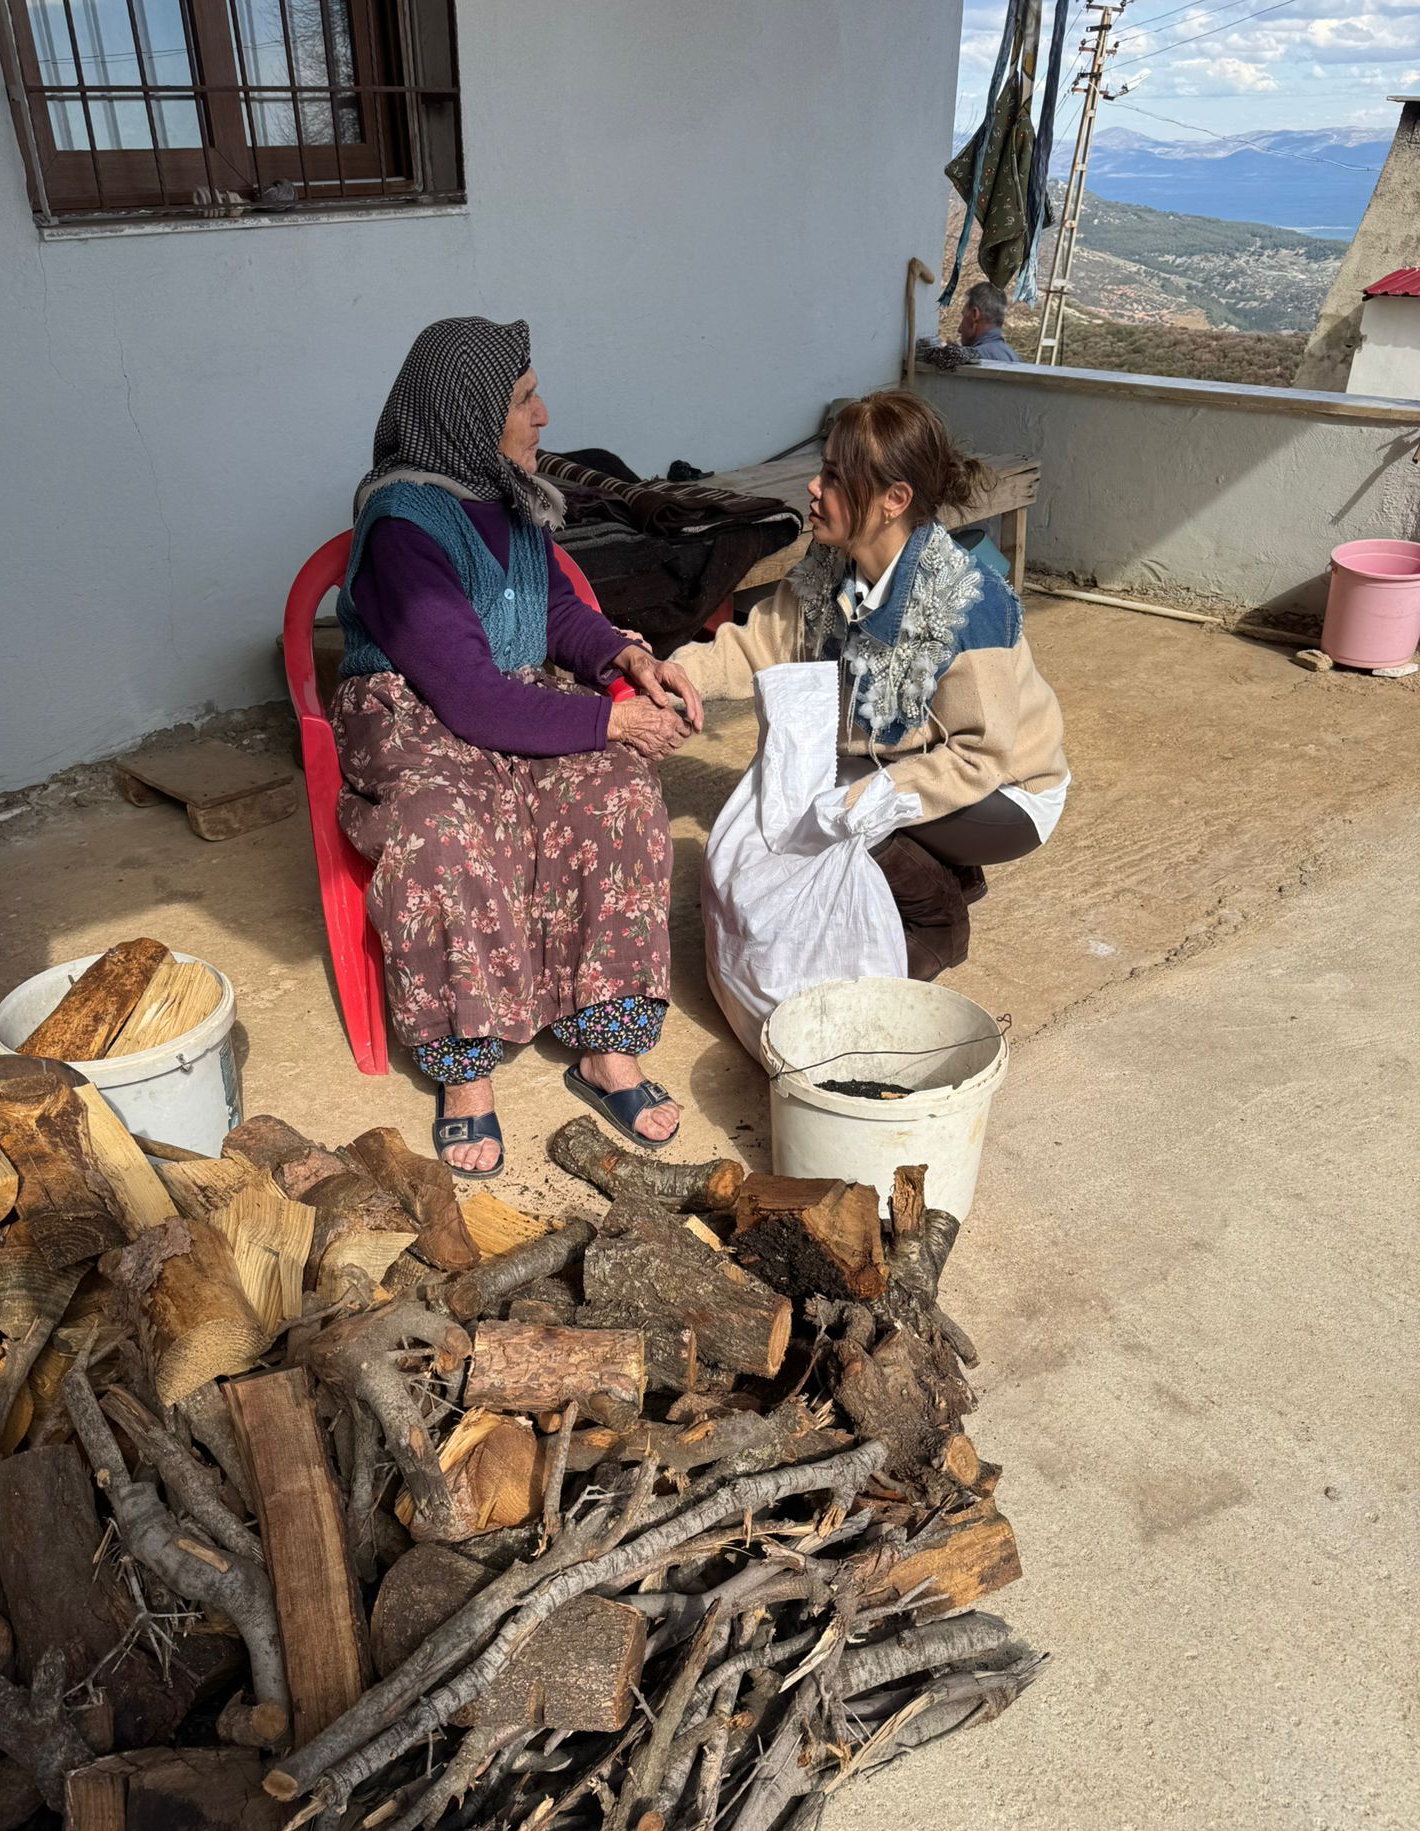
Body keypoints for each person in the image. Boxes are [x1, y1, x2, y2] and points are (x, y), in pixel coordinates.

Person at [331, 316, 703, 1177]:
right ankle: (466, 1073)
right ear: (468, 417)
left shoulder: (507, 493)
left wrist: (625, 657)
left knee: (617, 794)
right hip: (416, 706)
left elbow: (551, 610)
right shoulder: (402, 526)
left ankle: (606, 1044)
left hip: (505, 695)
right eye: (524, 399)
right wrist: (613, 720)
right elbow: (467, 698)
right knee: (444, 832)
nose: (544, 415)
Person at [673, 389, 1068, 981]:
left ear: (893, 500)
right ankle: (945, 871)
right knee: (809, 787)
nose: (814, 487)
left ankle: (938, 922)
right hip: (917, 764)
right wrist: (673, 678)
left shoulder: (968, 606)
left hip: (1005, 796)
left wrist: (856, 804)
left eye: (834, 476)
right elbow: (757, 647)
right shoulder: (831, 569)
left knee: (837, 805)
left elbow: (980, 757)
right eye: (823, 469)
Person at [958, 280, 1020, 363]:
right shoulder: (1014, 358)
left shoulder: (973, 360)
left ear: (974, 315)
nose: (959, 329)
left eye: (964, 316)